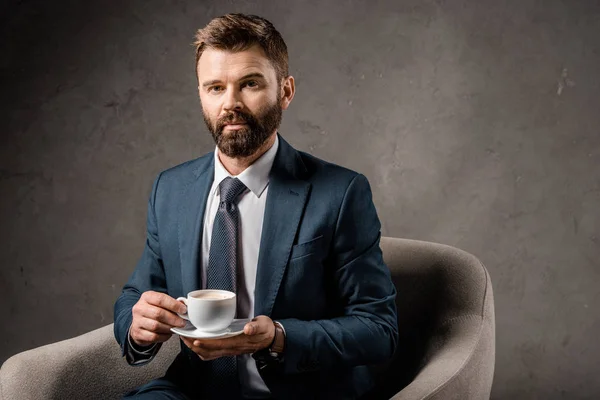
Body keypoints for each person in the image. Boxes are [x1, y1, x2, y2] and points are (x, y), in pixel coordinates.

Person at [113, 13, 398, 400]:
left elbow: (378, 329)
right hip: (193, 391)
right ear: (200, 94)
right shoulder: (171, 189)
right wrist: (137, 324)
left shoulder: (341, 192)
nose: (230, 103)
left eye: (249, 84)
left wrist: (278, 338)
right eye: (214, 88)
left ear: (285, 91)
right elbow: (136, 293)